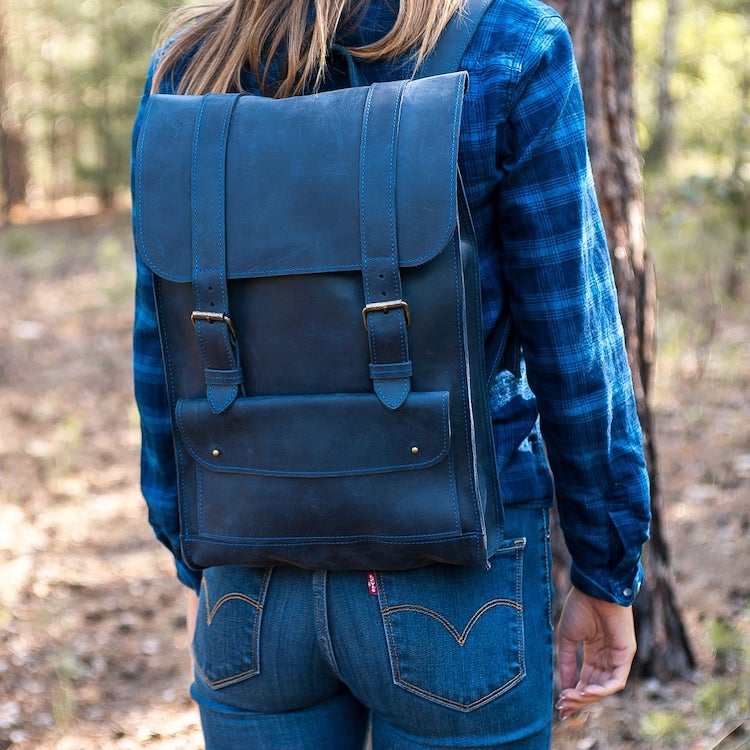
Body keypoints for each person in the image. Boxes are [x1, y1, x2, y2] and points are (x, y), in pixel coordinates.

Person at [132, 0, 651, 747]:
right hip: (458, 574)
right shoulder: (510, 44)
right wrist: (607, 567)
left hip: (249, 573)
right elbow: (574, 339)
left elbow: (162, 349)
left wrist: (191, 555)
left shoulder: (187, 62)